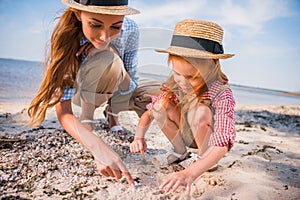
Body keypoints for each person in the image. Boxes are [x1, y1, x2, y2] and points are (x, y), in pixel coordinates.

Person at [28, 0, 160, 188]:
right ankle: (87, 122)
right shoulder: (66, 36)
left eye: (116, 26)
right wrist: (97, 146)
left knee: (162, 93)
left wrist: (111, 51)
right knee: (106, 59)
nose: (105, 35)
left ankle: (112, 115)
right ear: (78, 14)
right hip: (83, 93)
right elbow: (64, 111)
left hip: (117, 86)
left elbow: (130, 85)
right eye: (95, 25)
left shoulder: (130, 29)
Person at [130, 19, 235, 194]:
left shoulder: (221, 92)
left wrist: (190, 173)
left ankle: (205, 159)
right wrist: (138, 137)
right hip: (185, 129)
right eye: (177, 73)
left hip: (208, 140)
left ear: (211, 68)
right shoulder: (176, 83)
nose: (182, 82)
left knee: (201, 111)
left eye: (192, 77)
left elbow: (224, 141)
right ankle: (180, 152)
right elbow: (150, 113)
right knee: (159, 106)